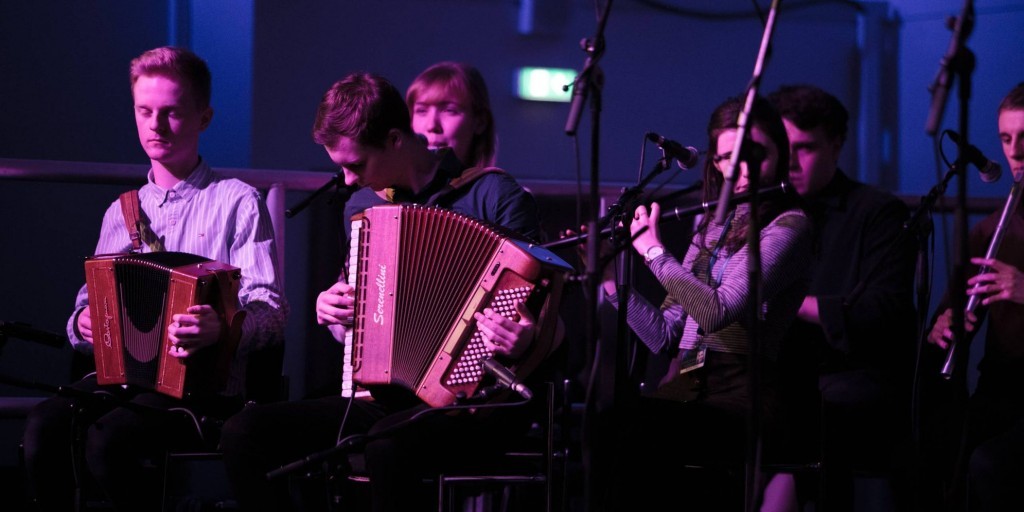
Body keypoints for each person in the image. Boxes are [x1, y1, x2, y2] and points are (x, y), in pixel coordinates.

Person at [219, 70, 559, 512]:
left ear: (395, 140)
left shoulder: (494, 195)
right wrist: (337, 313)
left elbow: (544, 314)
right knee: (244, 432)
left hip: (479, 405)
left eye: (356, 165)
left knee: (386, 443)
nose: (346, 180)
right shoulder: (364, 207)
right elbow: (360, 323)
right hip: (386, 400)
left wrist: (525, 337)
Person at [21, 46, 289, 512]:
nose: (156, 125)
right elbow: (88, 308)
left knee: (109, 441)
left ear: (204, 118)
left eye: (172, 112)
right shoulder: (122, 211)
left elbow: (271, 312)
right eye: (144, 111)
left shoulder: (237, 201)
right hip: (127, 382)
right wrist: (82, 323)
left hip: (205, 390)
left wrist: (222, 327)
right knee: (44, 427)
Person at [593, 95, 812, 510]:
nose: (741, 171)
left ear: (778, 153)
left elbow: (717, 311)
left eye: (753, 155)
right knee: (607, 422)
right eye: (727, 158)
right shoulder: (710, 229)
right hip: (690, 387)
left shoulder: (789, 227)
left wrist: (653, 252)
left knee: (644, 430)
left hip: (743, 395)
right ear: (714, 163)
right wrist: (607, 277)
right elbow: (664, 335)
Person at [768, 84, 917, 510]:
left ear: (836, 145)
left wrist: (788, 303)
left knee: (809, 415)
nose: (790, 161)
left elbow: (884, 312)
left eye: (805, 148)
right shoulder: (766, 211)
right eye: (783, 148)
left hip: (850, 375)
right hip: (781, 375)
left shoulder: (877, 212)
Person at [926, 81, 1024, 512]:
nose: (1015, 152)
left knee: (991, 465)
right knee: (942, 453)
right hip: (1003, 389)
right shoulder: (990, 229)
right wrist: (944, 326)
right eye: (1006, 138)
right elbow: (952, 311)